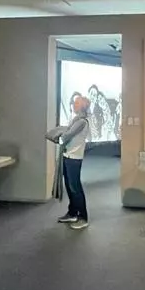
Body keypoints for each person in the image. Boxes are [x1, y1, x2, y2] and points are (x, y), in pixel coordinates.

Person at [56, 96, 91, 230]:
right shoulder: (76, 119)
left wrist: (58, 135)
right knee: (70, 187)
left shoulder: (81, 121)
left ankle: (83, 217)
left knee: (75, 188)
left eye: (76, 103)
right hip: (68, 156)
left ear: (82, 106)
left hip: (74, 158)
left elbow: (67, 135)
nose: (73, 105)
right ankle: (72, 213)